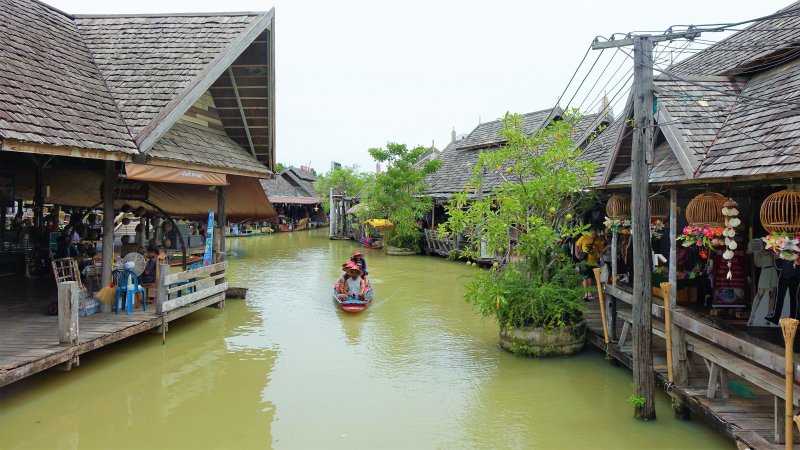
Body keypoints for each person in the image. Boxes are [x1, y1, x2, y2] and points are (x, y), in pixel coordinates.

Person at [575, 228, 604, 301]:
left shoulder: (598, 241)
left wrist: (602, 261)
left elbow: (600, 252)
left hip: (593, 262)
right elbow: (577, 245)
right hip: (584, 261)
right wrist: (576, 254)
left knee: (591, 278)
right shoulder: (584, 237)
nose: (594, 236)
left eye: (595, 234)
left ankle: (589, 293)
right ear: (589, 233)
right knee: (585, 277)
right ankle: (585, 293)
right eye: (592, 234)